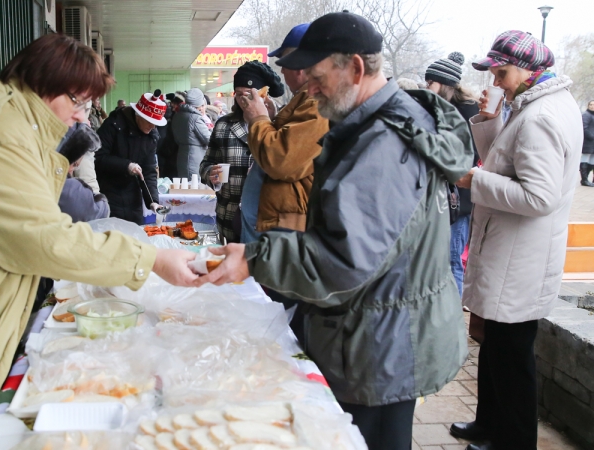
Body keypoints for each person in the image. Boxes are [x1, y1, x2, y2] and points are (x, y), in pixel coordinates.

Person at [0, 34, 197, 448]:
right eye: (78, 103)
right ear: (45, 87)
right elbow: (43, 238)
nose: (83, 117)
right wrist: (149, 259)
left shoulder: (18, 129)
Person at [194, 12, 473, 450]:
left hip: (382, 344)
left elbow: (346, 260)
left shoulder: (385, 143)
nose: (307, 84)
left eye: (316, 75)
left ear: (356, 69)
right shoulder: (370, 122)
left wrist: (254, 258)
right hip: (375, 328)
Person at [449, 31, 583, 450]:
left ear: (529, 70)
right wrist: (490, 124)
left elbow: (537, 195)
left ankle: (514, 439)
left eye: (502, 72)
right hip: (511, 249)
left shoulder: (540, 116)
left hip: (519, 254)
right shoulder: (534, 106)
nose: (497, 80)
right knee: (496, 347)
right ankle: (489, 422)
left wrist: (474, 179)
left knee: (511, 356)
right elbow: (506, 164)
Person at [239, 23, 329, 238]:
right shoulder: (303, 99)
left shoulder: (317, 102)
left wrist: (258, 119)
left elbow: (281, 160)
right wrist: (270, 120)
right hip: (275, 219)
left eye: (285, 63)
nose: (282, 70)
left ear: (300, 64)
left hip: (285, 224)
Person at [199, 61, 285, 244]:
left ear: (263, 94)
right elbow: (205, 164)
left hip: (263, 217)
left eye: (249, 95)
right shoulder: (224, 125)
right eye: (238, 95)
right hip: (228, 215)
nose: (244, 100)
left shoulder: (277, 124)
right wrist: (209, 174)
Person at [425, 52, 480, 297]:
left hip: (458, 200)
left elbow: (465, 157)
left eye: (431, 82)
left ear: (445, 83)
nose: (427, 87)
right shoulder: (440, 108)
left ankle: (455, 321)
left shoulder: (467, 112)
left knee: (452, 259)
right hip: (440, 198)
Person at [95, 90, 165, 224]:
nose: (153, 126)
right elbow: (98, 157)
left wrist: (153, 201)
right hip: (108, 191)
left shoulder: (151, 136)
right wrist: (126, 165)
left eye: (155, 122)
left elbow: (149, 171)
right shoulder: (113, 125)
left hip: (133, 196)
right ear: (138, 115)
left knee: (136, 235)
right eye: (149, 121)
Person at [57, 124, 110, 222]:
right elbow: (93, 210)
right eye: (74, 165)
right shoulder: (63, 185)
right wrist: (100, 201)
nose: (71, 171)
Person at [172, 88, 211, 178]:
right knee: (194, 187)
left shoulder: (178, 115)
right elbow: (209, 139)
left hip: (182, 156)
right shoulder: (195, 118)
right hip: (195, 159)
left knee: (185, 187)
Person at [581, 99, 594, 186]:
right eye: (591, 105)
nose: (592, 106)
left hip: (592, 143)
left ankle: (587, 179)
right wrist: (592, 136)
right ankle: (584, 180)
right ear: (588, 106)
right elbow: (584, 128)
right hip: (587, 142)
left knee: (592, 161)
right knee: (585, 160)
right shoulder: (586, 115)